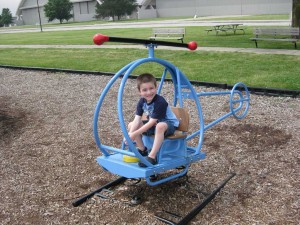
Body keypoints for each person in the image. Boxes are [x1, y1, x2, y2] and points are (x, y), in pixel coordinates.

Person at [127, 73, 179, 167]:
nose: (149, 92)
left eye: (151, 88)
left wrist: (134, 134)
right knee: (131, 125)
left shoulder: (160, 101)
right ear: (139, 92)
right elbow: (137, 119)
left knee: (160, 126)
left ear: (156, 87)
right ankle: (143, 150)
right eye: (144, 90)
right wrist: (129, 134)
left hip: (169, 125)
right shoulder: (142, 102)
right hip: (155, 124)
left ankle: (152, 157)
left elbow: (152, 122)